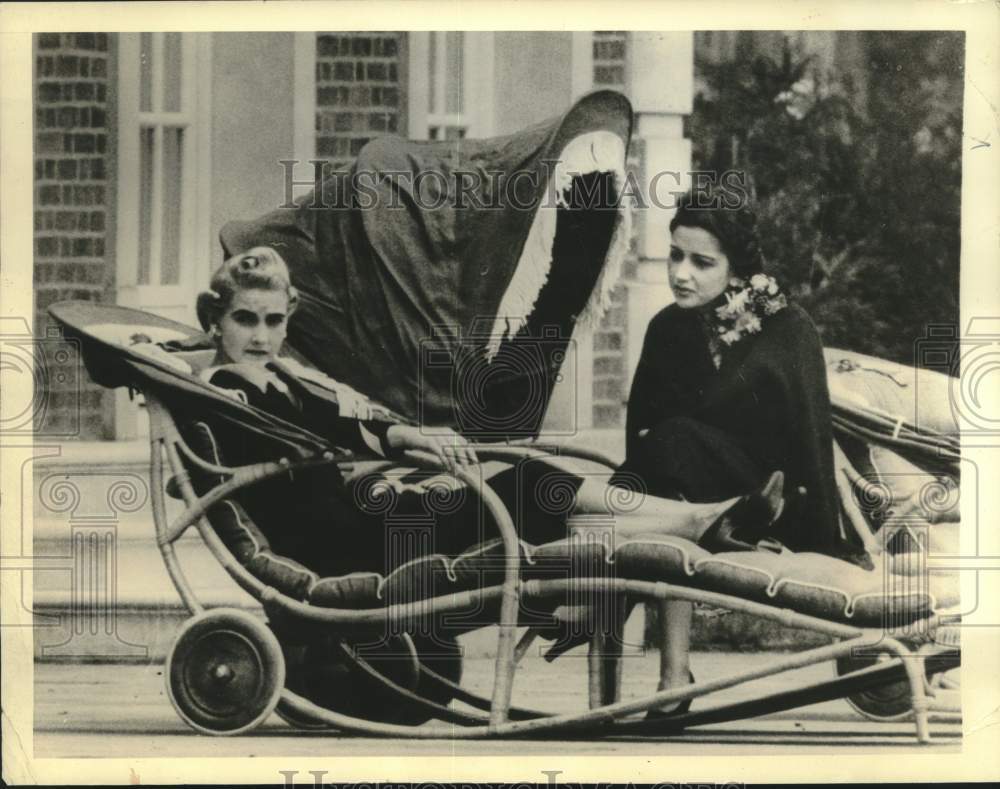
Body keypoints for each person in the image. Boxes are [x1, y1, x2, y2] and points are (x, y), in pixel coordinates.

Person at [193, 246, 788, 583]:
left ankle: (701, 524)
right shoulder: (228, 394)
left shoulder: (284, 378)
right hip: (343, 542)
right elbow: (316, 432)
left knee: (538, 502)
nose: (262, 335)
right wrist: (398, 443)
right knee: (531, 486)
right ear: (214, 322)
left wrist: (409, 434)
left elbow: (355, 418)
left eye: (275, 321)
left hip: (368, 519)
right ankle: (698, 522)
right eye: (246, 319)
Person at [615, 185, 872, 716]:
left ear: (736, 269)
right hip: (681, 498)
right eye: (675, 256)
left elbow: (810, 437)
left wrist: (825, 538)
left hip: (774, 503)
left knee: (673, 441)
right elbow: (639, 432)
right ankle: (673, 676)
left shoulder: (786, 328)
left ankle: (610, 617)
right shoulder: (667, 329)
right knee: (666, 452)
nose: (680, 273)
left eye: (701, 262)